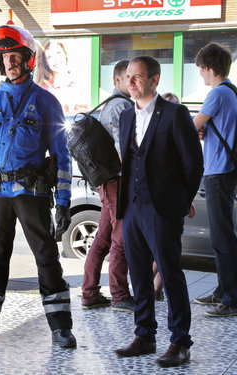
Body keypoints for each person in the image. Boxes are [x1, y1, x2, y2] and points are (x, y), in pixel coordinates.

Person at [0, 23, 76, 349]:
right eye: (4, 56)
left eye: (15, 55)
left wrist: (63, 201)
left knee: (47, 257)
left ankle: (61, 327)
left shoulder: (47, 103)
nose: (9, 62)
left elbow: (62, 156)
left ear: (28, 58)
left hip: (31, 193)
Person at [114, 56, 203, 368]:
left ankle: (180, 341)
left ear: (154, 79)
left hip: (163, 209)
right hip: (132, 207)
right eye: (128, 77)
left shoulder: (175, 114)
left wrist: (181, 201)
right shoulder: (126, 117)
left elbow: (194, 165)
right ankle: (145, 335)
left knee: (169, 273)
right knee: (137, 273)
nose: (131, 82)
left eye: (137, 77)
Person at [81, 60, 135, 313]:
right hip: (118, 182)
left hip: (107, 181)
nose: (132, 81)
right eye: (128, 77)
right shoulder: (122, 106)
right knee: (119, 240)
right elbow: (126, 150)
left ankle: (90, 292)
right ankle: (120, 295)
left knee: (102, 238)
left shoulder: (108, 105)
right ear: (117, 80)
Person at [193, 42, 237, 317]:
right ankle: (222, 291)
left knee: (222, 237)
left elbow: (192, 126)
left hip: (218, 171)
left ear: (209, 68)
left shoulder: (217, 94)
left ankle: (230, 298)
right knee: (223, 236)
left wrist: (198, 127)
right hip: (227, 169)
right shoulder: (232, 92)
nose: (200, 74)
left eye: (200, 69)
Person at [154, 92, 180, 302]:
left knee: (166, 249)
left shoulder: (179, 136)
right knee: (160, 249)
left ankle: (155, 288)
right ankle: (152, 288)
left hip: (172, 201)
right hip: (155, 201)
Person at [35, 39, 86, 115]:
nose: (56, 59)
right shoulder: (43, 89)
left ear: (65, 54)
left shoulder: (77, 83)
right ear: (45, 62)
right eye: (49, 57)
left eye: (58, 53)